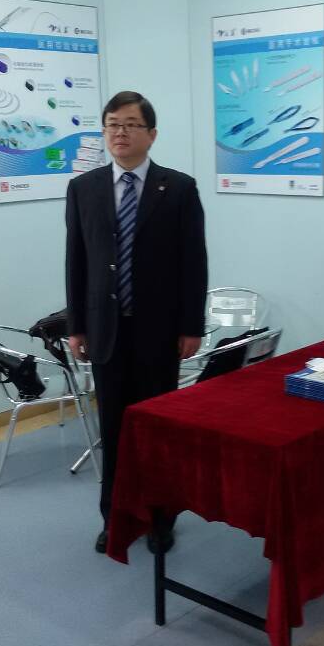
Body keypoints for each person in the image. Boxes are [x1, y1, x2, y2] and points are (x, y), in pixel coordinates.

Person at [66, 90, 208, 553]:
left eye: (130, 124)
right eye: (112, 124)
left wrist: (191, 325)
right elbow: (76, 262)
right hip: (106, 332)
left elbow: (194, 262)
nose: (120, 133)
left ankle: (161, 520)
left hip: (159, 333)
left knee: (158, 431)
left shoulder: (178, 188)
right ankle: (116, 519)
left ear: (152, 134)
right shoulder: (83, 188)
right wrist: (77, 326)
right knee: (114, 432)